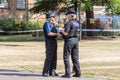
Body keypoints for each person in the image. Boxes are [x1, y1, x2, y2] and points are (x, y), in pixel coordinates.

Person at [60, 9, 81, 78]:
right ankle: (78, 73)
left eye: (67, 14)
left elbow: (66, 33)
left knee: (66, 57)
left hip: (69, 41)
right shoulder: (77, 23)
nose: (66, 16)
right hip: (76, 40)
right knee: (75, 58)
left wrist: (61, 30)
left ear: (69, 15)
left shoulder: (69, 23)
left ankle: (68, 73)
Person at [42, 12, 59, 77]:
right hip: (49, 41)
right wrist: (57, 34)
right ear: (49, 18)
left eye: (54, 17)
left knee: (54, 57)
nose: (54, 18)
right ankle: (45, 71)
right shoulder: (47, 24)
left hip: (54, 41)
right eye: (53, 17)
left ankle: (52, 71)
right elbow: (49, 33)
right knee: (49, 56)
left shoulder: (53, 24)